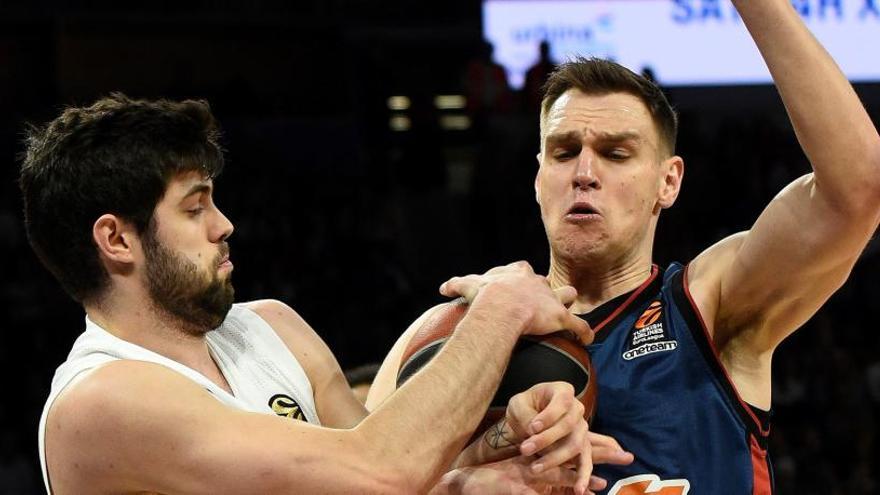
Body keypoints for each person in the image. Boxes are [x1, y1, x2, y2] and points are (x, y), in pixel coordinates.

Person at [370, 1, 880, 493]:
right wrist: (468, 467)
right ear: (538, 177)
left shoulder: (709, 305)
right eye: (565, 152)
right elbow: (352, 477)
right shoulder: (453, 330)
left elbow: (857, 188)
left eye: (615, 154)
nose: (585, 174)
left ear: (669, 181)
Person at [23, 94, 613, 494]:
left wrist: (507, 447)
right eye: (194, 207)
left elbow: (392, 471)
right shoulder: (100, 401)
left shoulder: (272, 327)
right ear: (116, 239)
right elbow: (380, 471)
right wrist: (499, 308)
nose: (222, 224)